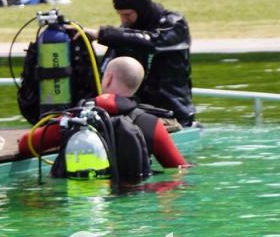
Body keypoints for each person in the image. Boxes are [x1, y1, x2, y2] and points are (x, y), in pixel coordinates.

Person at [18, 56, 188, 168]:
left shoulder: (77, 117)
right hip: (131, 201)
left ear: (108, 78)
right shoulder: (152, 125)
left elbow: (26, 145)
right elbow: (180, 168)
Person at [81, 0, 196, 125]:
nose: (123, 19)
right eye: (120, 14)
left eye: (127, 14)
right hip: (140, 114)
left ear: (142, 9)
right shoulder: (125, 33)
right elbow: (105, 73)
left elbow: (151, 42)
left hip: (174, 116)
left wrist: (102, 35)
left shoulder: (175, 24)